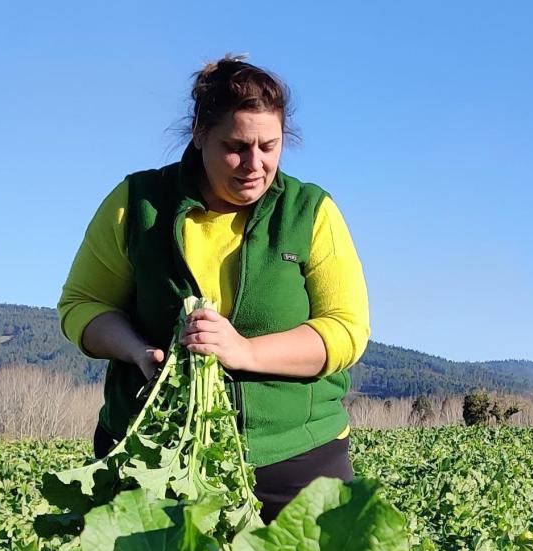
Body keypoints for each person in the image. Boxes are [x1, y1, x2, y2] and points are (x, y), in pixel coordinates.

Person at [57, 56, 369, 523]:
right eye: (236, 146)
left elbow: (346, 330)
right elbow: (82, 306)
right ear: (200, 133)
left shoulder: (310, 211)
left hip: (293, 454)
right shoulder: (137, 204)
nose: (254, 164)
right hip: (153, 454)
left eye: (269, 146)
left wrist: (245, 352)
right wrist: (138, 351)